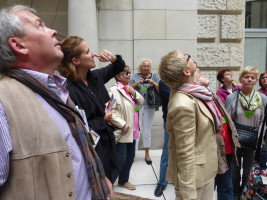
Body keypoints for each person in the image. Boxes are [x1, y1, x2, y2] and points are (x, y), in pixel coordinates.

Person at [0, 5, 112, 200]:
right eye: (39, 25)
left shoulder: (57, 89)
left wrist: (96, 178)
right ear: (18, 45)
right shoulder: (3, 102)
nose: (52, 31)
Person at [59, 36, 125, 182]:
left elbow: (119, 66)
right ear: (76, 61)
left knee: (110, 176)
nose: (94, 54)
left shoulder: (96, 76)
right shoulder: (69, 90)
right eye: (88, 52)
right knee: (99, 182)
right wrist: (103, 120)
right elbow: (77, 125)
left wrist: (112, 58)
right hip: (92, 147)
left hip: (107, 140)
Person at [158, 50, 218, 200]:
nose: (190, 57)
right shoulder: (183, 104)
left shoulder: (194, 91)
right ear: (186, 71)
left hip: (206, 171)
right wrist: (188, 194)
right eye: (187, 57)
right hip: (194, 179)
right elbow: (185, 152)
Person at [194, 69, 240, 200]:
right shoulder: (196, 99)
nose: (203, 74)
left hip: (226, 148)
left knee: (226, 186)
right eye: (198, 73)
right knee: (208, 188)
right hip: (213, 151)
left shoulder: (210, 94)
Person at [225, 66, 267, 200]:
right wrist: (231, 138)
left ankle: (245, 191)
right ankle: (235, 193)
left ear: (256, 81)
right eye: (246, 77)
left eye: (252, 78)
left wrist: (258, 139)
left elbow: (264, 121)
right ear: (241, 79)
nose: (249, 80)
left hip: (254, 141)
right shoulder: (232, 97)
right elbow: (227, 120)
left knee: (249, 170)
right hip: (235, 141)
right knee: (235, 170)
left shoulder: (263, 99)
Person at [108, 66, 144, 190]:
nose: (129, 75)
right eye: (126, 73)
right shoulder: (114, 91)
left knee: (129, 158)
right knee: (120, 160)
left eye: (129, 73)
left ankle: (123, 181)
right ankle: (107, 186)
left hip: (133, 131)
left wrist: (133, 92)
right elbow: (109, 111)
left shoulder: (128, 89)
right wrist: (122, 124)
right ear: (118, 76)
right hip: (123, 131)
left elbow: (141, 102)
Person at [130, 58, 160, 165]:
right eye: (144, 66)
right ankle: (133, 153)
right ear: (140, 66)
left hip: (150, 107)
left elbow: (161, 90)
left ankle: (147, 154)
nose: (146, 68)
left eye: (148, 66)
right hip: (137, 106)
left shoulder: (155, 77)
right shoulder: (135, 76)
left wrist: (154, 83)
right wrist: (137, 83)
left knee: (147, 130)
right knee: (136, 129)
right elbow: (128, 89)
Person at [154, 80, 171, 197]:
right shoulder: (164, 82)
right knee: (167, 153)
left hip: (187, 122)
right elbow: (173, 97)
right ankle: (162, 182)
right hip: (170, 122)